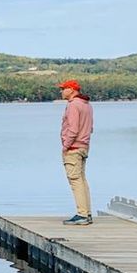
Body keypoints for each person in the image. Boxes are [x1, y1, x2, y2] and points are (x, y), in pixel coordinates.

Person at [58, 79, 93, 225]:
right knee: (82, 180)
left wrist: (66, 146)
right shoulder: (87, 105)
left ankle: (82, 214)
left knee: (75, 181)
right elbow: (90, 127)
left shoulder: (73, 105)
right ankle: (87, 213)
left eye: (63, 88)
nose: (61, 91)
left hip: (74, 148)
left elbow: (73, 129)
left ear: (71, 89)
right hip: (84, 146)